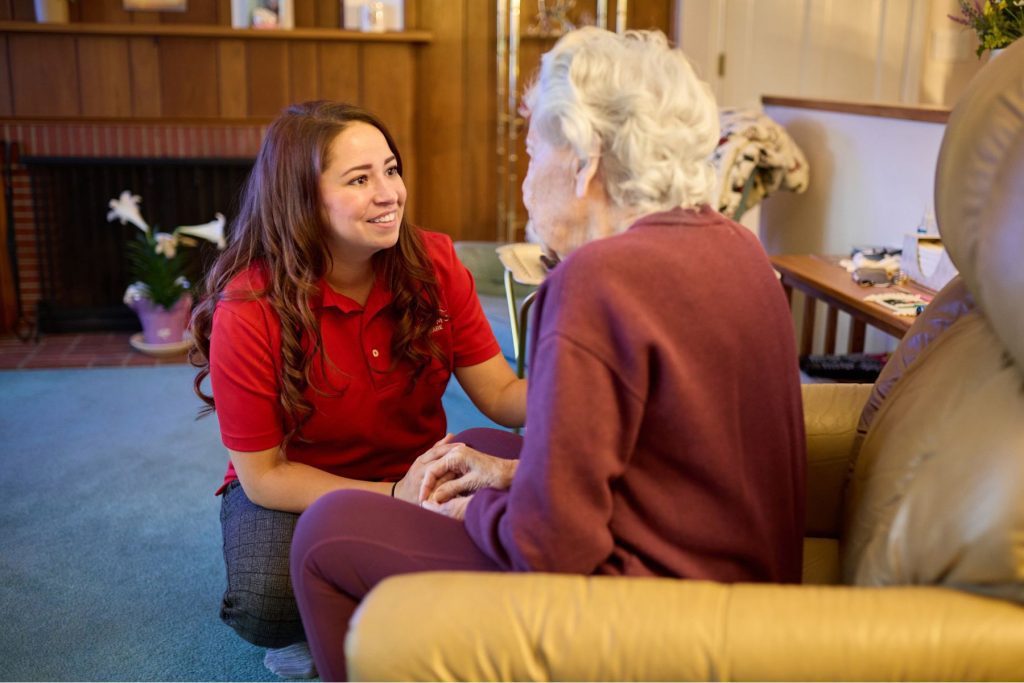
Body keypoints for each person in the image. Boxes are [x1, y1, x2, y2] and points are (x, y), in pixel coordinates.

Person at [289, 27, 806, 681]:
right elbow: (671, 446)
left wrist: (475, 509)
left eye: (534, 153)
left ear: (585, 160)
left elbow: (552, 548)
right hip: (744, 593)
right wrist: (510, 476)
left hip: (651, 614)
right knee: (478, 443)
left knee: (324, 534)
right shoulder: (735, 246)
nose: (528, 178)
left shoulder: (598, 280)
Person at [188, 101, 526, 679]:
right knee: (266, 605)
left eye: (391, 170)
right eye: (360, 179)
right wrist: (394, 495)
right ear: (302, 200)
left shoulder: (436, 263)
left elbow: (499, 394)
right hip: (297, 488)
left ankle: (374, 594)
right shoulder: (248, 305)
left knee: (526, 520)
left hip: (415, 467)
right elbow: (264, 474)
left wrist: (583, 377)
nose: (389, 192)